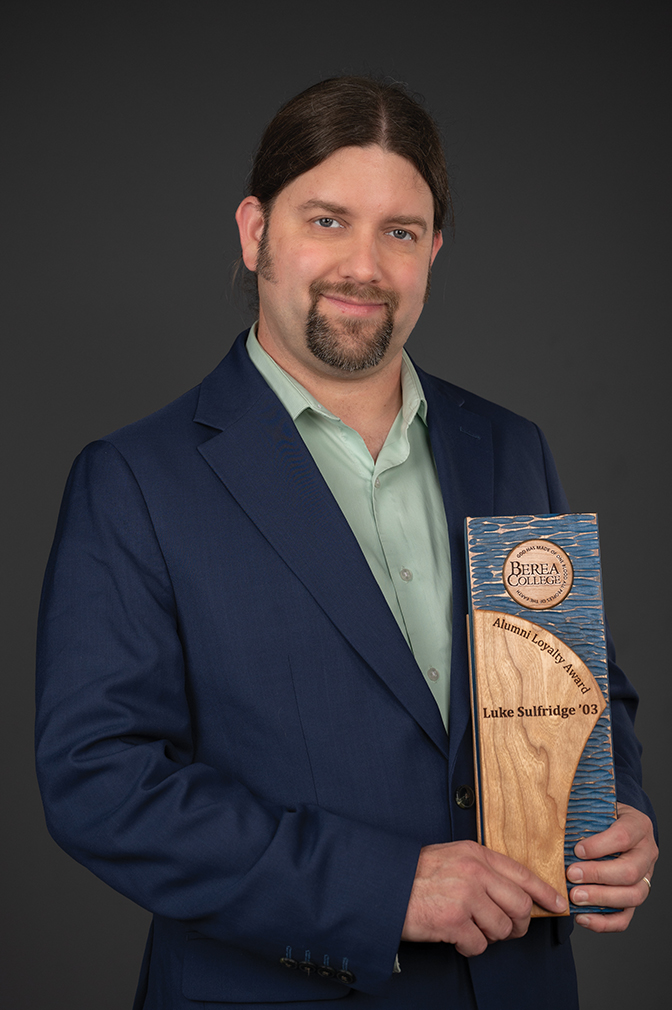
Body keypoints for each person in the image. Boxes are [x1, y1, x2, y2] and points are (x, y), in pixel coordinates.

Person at [36, 76, 657, 1010]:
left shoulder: (510, 447)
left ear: (432, 251)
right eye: (327, 221)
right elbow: (101, 784)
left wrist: (621, 808)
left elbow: (582, 678)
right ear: (256, 233)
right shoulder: (135, 479)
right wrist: (385, 888)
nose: (363, 266)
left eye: (400, 232)